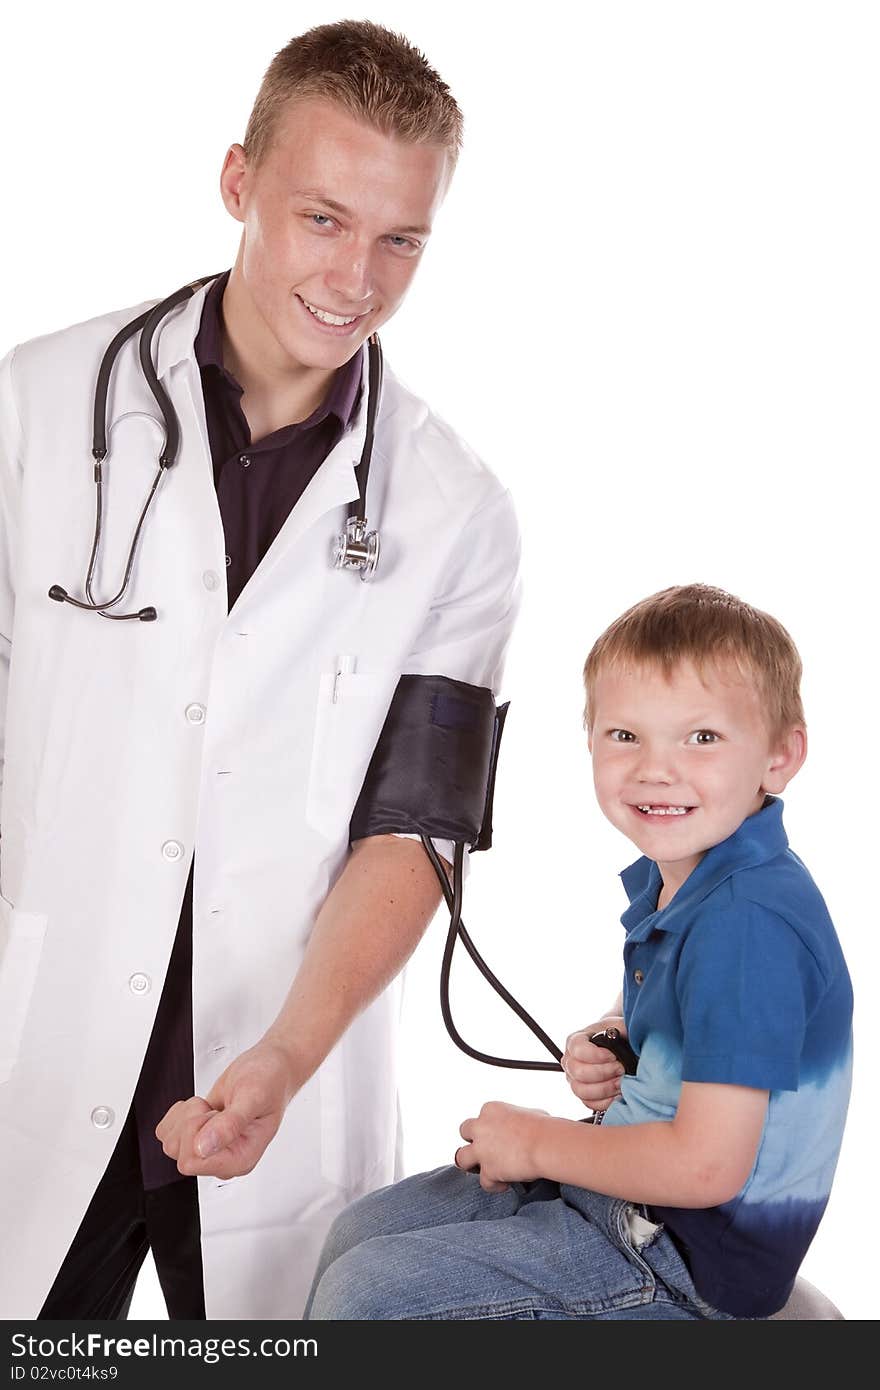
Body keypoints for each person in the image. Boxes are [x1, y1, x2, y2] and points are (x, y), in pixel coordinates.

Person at [0, 21, 520, 1320]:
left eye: (402, 238)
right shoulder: (35, 410)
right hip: (40, 1049)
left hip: (273, 1086)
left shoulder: (458, 513)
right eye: (324, 218)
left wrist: (288, 1057)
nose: (359, 275)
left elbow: (414, 835)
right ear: (239, 184)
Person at [305, 583, 853, 1321]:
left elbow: (707, 1165)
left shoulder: (747, 925)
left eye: (702, 738)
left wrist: (538, 1145)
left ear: (780, 757)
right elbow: (682, 1014)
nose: (657, 769)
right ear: (589, 738)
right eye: (626, 736)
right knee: (360, 1233)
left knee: (369, 1295)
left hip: (689, 1261)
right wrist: (617, 1035)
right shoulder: (699, 880)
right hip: (639, 1205)